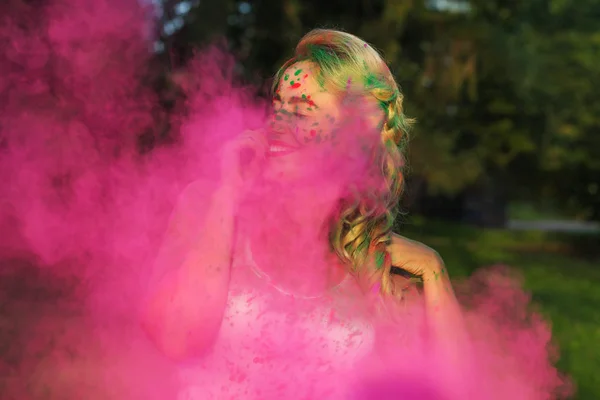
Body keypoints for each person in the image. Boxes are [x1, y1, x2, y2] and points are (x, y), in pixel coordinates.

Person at [142, 29, 466, 398]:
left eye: (301, 110)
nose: (277, 126)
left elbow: (445, 389)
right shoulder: (207, 204)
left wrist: (434, 271)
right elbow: (177, 340)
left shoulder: (373, 258)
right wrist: (228, 196)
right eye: (278, 106)